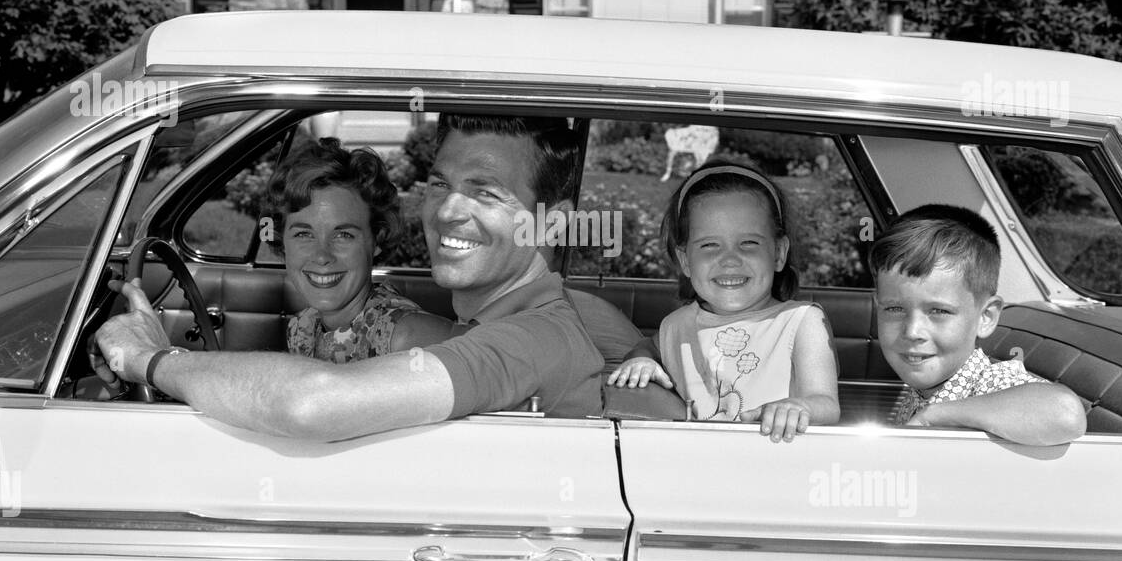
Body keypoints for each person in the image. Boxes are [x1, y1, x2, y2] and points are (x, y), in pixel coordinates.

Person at [93, 115, 604, 440]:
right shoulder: (533, 325)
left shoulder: (525, 342)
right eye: (440, 183)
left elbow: (308, 403)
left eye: (487, 193)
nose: (449, 210)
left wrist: (148, 359)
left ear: (552, 223)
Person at [608, 161, 840, 442]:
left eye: (749, 244)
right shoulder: (677, 325)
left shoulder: (802, 322)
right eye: (709, 245)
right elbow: (648, 346)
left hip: (780, 470)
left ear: (779, 253)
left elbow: (826, 403)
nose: (729, 259)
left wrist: (799, 407)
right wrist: (641, 360)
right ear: (685, 261)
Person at [870, 204, 1086, 445]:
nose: (912, 331)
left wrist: (933, 417)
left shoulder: (992, 384)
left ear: (986, 317)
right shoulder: (920, 389)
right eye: (895, 309)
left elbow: (1065, 414)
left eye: (939, 311)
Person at [270, 139, 452, 360]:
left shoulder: (404, 336)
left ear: (377, 240)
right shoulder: (302, 328)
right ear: (283, 241)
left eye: (343, 235)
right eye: (304, 234)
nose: (321, 256)